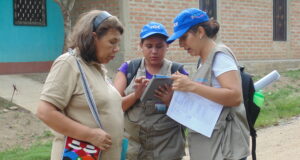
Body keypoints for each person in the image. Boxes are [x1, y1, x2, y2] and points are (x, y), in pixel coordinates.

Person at [36, 10, 124, 160]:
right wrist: (89, 135)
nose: (117, 49)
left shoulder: (97, 68)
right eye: (112, 42)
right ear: (93, 37)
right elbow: (45, 112)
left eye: (118, 43)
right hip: (80, 155)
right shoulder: (68, 63)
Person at [167, 8, 250, 160]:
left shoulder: (220, 56)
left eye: (184, 37)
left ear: (200, 31)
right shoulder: (203, 60)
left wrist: (192, 86)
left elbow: (235, 96)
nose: (181, 44)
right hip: (211, 146)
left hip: (225, 149)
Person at [114, 22, 188, 160]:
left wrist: (170, 101)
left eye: (159, 46)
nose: (154, 51)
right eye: (149, 46)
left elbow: (191, 113)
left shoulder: (178, 71)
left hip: (167, 150)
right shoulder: (128, 69)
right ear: (141, 46)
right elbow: (114, 107)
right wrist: (136, 95)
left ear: (167, 46)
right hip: (134, 150)